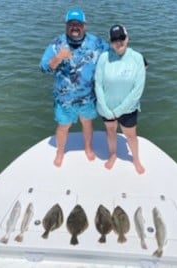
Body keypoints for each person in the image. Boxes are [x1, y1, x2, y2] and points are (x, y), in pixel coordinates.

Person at [40, 8, 109, 167]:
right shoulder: (57, 44)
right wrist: (57, 58)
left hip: (87, 98)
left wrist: (138, 60)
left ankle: (88, 148)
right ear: (66, 26)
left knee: (87, 123)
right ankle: (60, 152)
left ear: (85, 25)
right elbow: (43, 67)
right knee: (63, 126)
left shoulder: (96, 43)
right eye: (71, 24)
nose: (75, 27)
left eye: (78, 24)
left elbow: (114, 53)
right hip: (64, 100)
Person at [94, 24, 146, 174]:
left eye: (121, 38)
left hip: (128, 109)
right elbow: (98, 83)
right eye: (114, 39)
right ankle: (113, 154)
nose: (118, 42)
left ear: (127, 38)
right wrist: (103, 107)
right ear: (110, 42)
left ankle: (135, 159)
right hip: (107, 109)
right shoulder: (104, 58)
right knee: (110, 132)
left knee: (131, 135)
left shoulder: (137, 58)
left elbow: (137, 90)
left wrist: (119, 110)